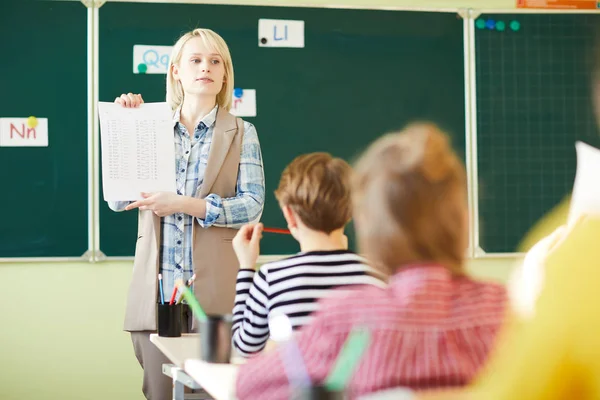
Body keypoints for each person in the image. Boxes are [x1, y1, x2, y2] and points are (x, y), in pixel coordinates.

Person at [235, 123, 508, 399]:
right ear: (466, 219)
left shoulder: (346, 316)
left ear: (366, 223)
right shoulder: (502, 309)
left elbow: (246, 382)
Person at [108, 28, 265, 400]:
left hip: (216, 298)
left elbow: (252, 204)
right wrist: (128, 126)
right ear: (176, 70)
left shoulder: (242, 132)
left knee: (216, 394)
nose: (205, 68)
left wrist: (184, 204)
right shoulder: (149, 126)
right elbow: (117, 200)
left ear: (225, 75)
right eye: (195, 60)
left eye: (215, 62)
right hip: (155, 299)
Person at [231, 152, 387, 357]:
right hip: (364, 389)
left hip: (297, 388)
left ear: (289, 215)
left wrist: (246, 267)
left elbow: (245, 347)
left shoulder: (272, 278)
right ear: (350, 212)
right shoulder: (376, 275)